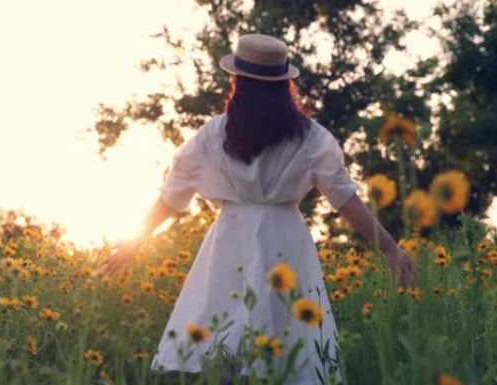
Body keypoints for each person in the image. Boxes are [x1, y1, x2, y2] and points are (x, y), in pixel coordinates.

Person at [99, 33, 414, 385]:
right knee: (280, 343)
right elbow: (345, 199)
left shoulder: (213, 134)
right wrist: (389, 247)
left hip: (229, 240)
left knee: (223, 344)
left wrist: (136, 240)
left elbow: (172, 196)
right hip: (283, 239)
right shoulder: (310, 137)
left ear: (237, 82)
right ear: (284, 87)